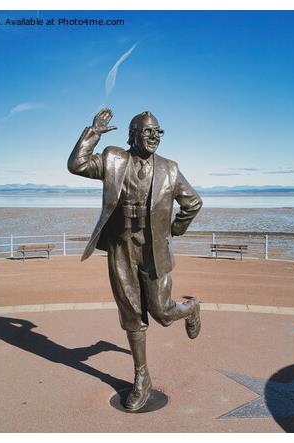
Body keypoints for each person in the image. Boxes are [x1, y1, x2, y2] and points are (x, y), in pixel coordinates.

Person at [68, 108, 203, 411]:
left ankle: (191, 308)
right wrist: (93, 133)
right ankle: (142, 378)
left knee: (163, 313)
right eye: (148, 131)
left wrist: (174, 230)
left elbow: (193, 202)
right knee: (131, 313)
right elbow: (76, 165)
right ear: (133, 135)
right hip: (121, 247)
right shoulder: (114, 159)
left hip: (153, 249)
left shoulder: (169, 168)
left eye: (159, 131)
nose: (155, 136)